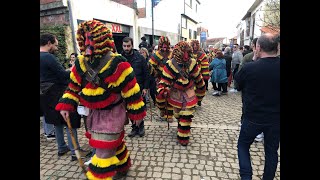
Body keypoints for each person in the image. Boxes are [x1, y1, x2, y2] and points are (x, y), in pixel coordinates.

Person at [56, 20, 146, 180]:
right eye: (86, 39)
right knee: (112, 144)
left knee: (104, 151)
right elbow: (73, 87)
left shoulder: (119, 63)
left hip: (113, 114)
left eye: (92, 39)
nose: (89, 44)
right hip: (92, 114)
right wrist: (66, 105)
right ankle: (123, 166)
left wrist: (136, 114)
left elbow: (132, 91)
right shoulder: (80, 62)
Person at [235, 33, 280, 180]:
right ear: (277, 48)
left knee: (243, 146)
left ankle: (246, 177)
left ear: (258, 48)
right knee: (272, 151)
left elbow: (238, 85)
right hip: (275, 119)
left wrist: (254, 60)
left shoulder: (249, 68)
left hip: (252, 117)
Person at [40, 33, 85, 161]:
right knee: (70, 120)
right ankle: (74, 151)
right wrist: (73, 69)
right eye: (55, 44)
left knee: (56, 122)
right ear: (48, 43)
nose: (56, 47)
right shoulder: (48, 57)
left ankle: (61, 147)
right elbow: (63, 75)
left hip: (45, 96)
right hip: (58, 93)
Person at [156, 41, 206, 146]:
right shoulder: (170, 64)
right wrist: (163, 90)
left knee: (187, 114)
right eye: (184, 52)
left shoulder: (193, 62)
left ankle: (183, 137)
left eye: (188, 52)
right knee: (178, 114)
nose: (186, 55)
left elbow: (198, 77)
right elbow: (165, 80)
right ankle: (181, 124)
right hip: (176, 92)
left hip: (189, 91)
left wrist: (201, 89)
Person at [121, 37, 149, 138]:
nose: (126, 48)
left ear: (132, 45)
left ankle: (141, 127)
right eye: (124, 46)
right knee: (130, 109)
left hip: (139, 88)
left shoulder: (140, 58)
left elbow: (146, 74)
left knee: (140, 109)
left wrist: (145, 88)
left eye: (128, 46)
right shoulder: (120, 58)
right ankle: (134, 127)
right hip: (126, 89)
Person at [148, 36, 174, 122]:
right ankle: (162, 109)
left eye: (166, 46)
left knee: (170, 96)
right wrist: (152, 71)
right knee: (160, 96)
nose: (164, 47)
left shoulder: (172, 54)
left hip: (171, 79)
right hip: (160, 79)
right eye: (163, 45)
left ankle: (169, 114)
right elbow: (151, 66)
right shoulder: (157, 55)